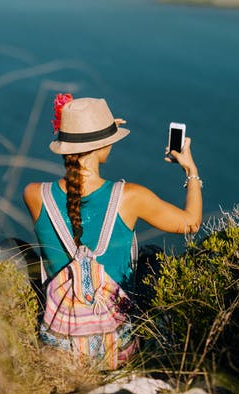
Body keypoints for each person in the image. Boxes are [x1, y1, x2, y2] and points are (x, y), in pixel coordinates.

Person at [22, 95, 202, 360]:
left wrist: (97, 133)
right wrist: (191, 170)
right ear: (102, 146)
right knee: (151, 258)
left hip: (60, 343)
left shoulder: (35, 194)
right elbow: (191, 223)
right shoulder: (130, 197)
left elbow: (78, 189)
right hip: (117, 348)